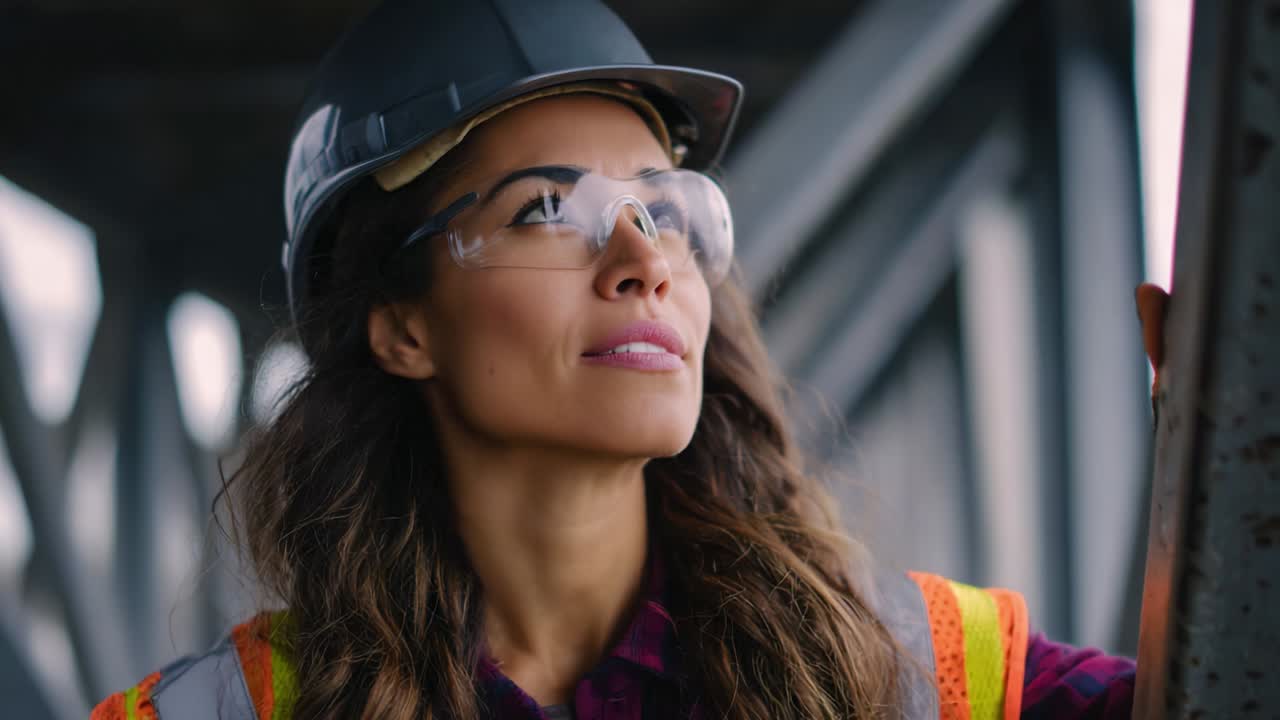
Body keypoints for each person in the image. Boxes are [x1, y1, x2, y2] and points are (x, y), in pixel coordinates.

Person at [91, 1, 1170, 718]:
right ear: (401, 326)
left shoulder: (925, 675)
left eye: (664, 208)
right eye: (547, 210)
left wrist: (1232, 459)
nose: (642, 259)